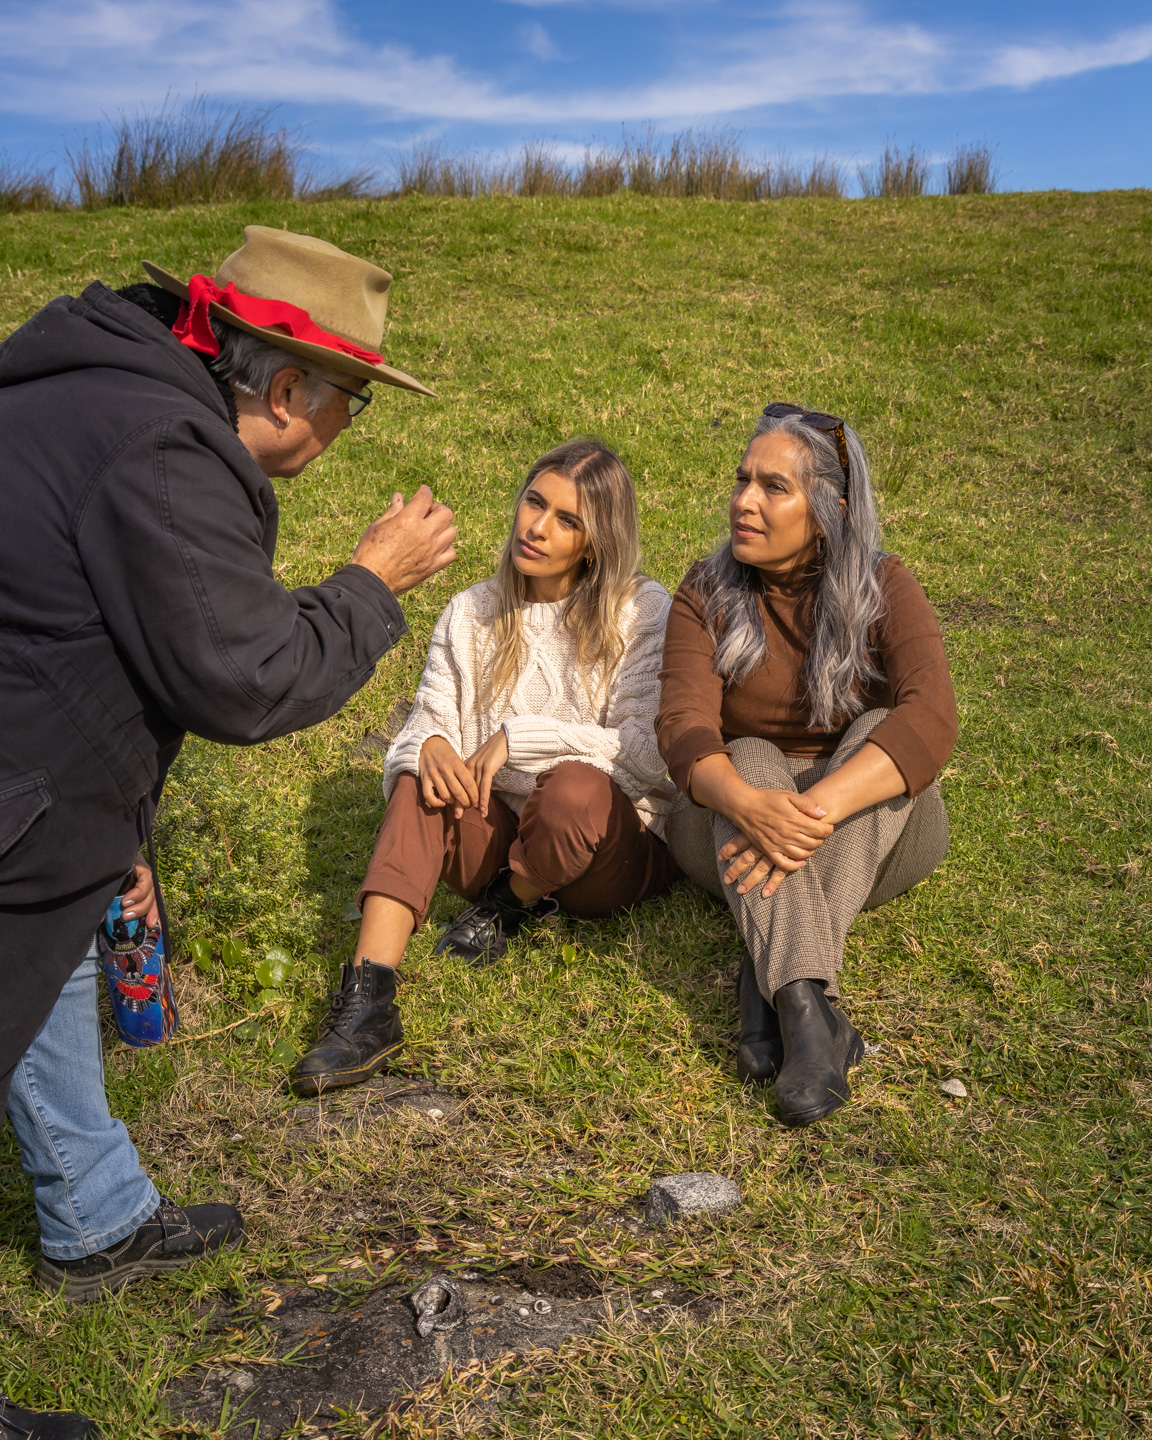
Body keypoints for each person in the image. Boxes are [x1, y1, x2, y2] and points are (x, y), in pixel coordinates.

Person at [0, 222, 456, 1356]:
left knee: (46, 962)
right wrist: (369, 581)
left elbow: (90, 644)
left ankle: (96, 1218)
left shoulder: (105, 384)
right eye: (356, 401)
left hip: (32, 789)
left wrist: (109, 830)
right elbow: (249, 675)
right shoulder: (163, 446)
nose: (352, 429)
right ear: (290, 389)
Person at [291, 438, 681, 1095]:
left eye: (566, 519)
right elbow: (430, 718)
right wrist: (430, 744)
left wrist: (517, 738)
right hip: (502, 833)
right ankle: (368, 1002)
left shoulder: (640, 612)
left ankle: (513, 905)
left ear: (596, 540)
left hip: (604, 856)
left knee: (573, 789)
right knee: (420, 775)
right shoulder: (472, 611)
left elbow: (646, 755)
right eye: (534, 501)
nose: (536, 526)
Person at [657, 403, 957, 1128]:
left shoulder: (886, 585)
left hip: (875, 830)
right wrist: (748, 801)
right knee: (750, 755)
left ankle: (763, 993)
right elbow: (682, 728)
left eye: (772, 488)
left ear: (827, 509)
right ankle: (809, 1013)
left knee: (883, 729)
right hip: (727, 825)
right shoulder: (704, 591)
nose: (743, 502)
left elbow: (932, 719)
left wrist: (812, 812)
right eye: (741, 481)